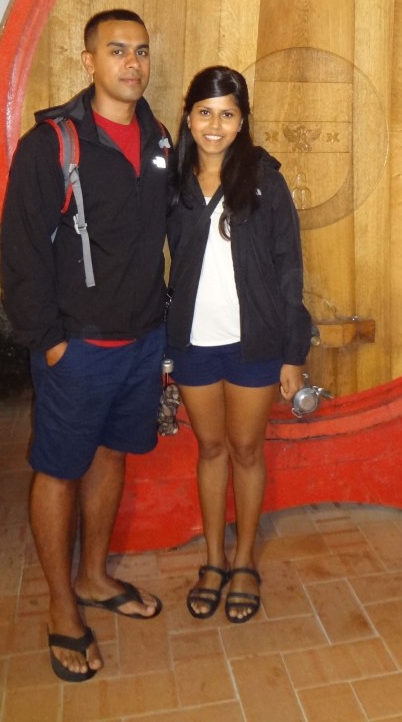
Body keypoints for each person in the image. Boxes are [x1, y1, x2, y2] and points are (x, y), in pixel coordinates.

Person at [0, 9, 171, 682]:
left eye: (142, 52)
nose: (133, 63)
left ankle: (95, 576)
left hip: (140, 338)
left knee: (110, 454)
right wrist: (48, 342)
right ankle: (60, 605)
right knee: (59, 467)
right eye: (118, 51)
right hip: (78, 346)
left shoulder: (159, 140)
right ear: (88, 61)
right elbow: (19, 251)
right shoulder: (52, 144)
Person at [165, 66, 312, 624]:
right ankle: (213, 559)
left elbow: (288, 267)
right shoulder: (173, 182)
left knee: (248, 450)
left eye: (227, 114)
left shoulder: (265, 182)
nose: (215, 124)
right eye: (205, 112)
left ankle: (246, 559)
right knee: (210, 449)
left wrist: (293, 352)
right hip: (195, 343)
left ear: (242, 121)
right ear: (188, 115)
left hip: (256, 342)